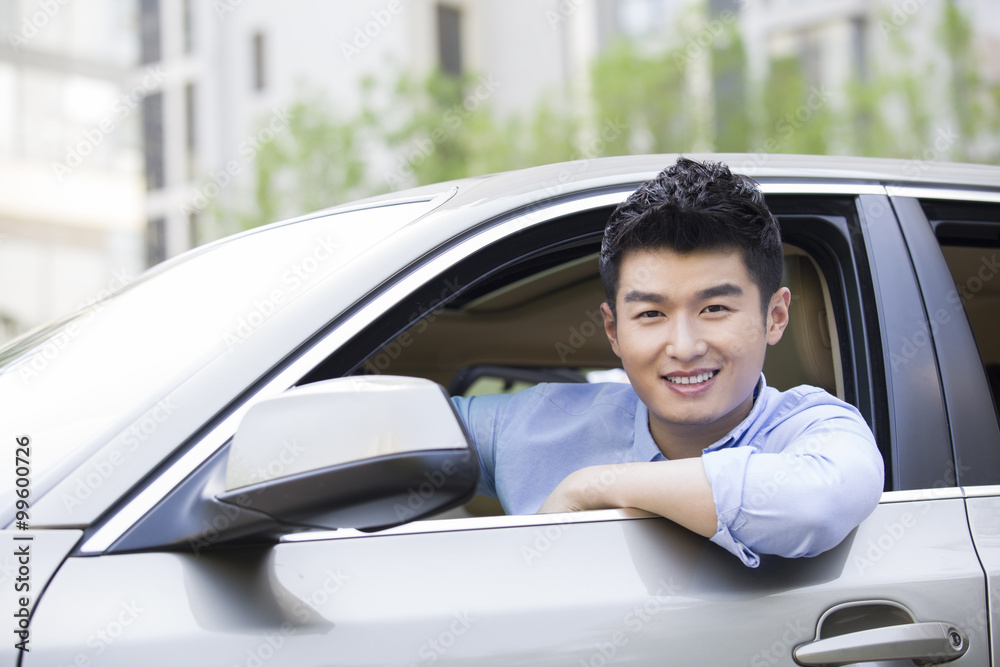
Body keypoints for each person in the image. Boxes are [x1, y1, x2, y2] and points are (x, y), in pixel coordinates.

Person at [450, 157, 884, 567]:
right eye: (651, 314)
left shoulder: (817, 428)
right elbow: (399, 431)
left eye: (714, 308)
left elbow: (817, 504)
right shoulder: (536, 421)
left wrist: (589, 489)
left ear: (775, 317)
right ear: (614, 331)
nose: (684, 346)